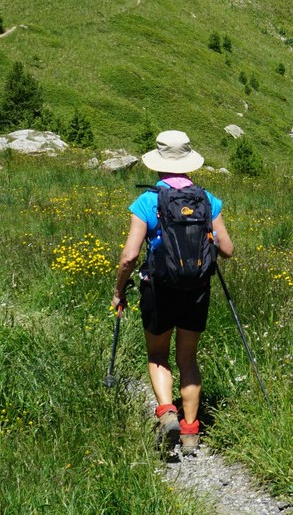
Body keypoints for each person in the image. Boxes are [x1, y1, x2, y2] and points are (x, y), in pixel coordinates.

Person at [112, 130, 235, 455]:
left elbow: (128, 257)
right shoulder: (207, 200)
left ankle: (167, 412)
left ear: (159, 164)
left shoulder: (148, 201)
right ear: (189, 163)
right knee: (188, 358)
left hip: (158, 288)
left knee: (157, 355)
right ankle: (192, 433)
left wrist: (118, 291)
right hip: (196, 289)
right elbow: (228, 250)